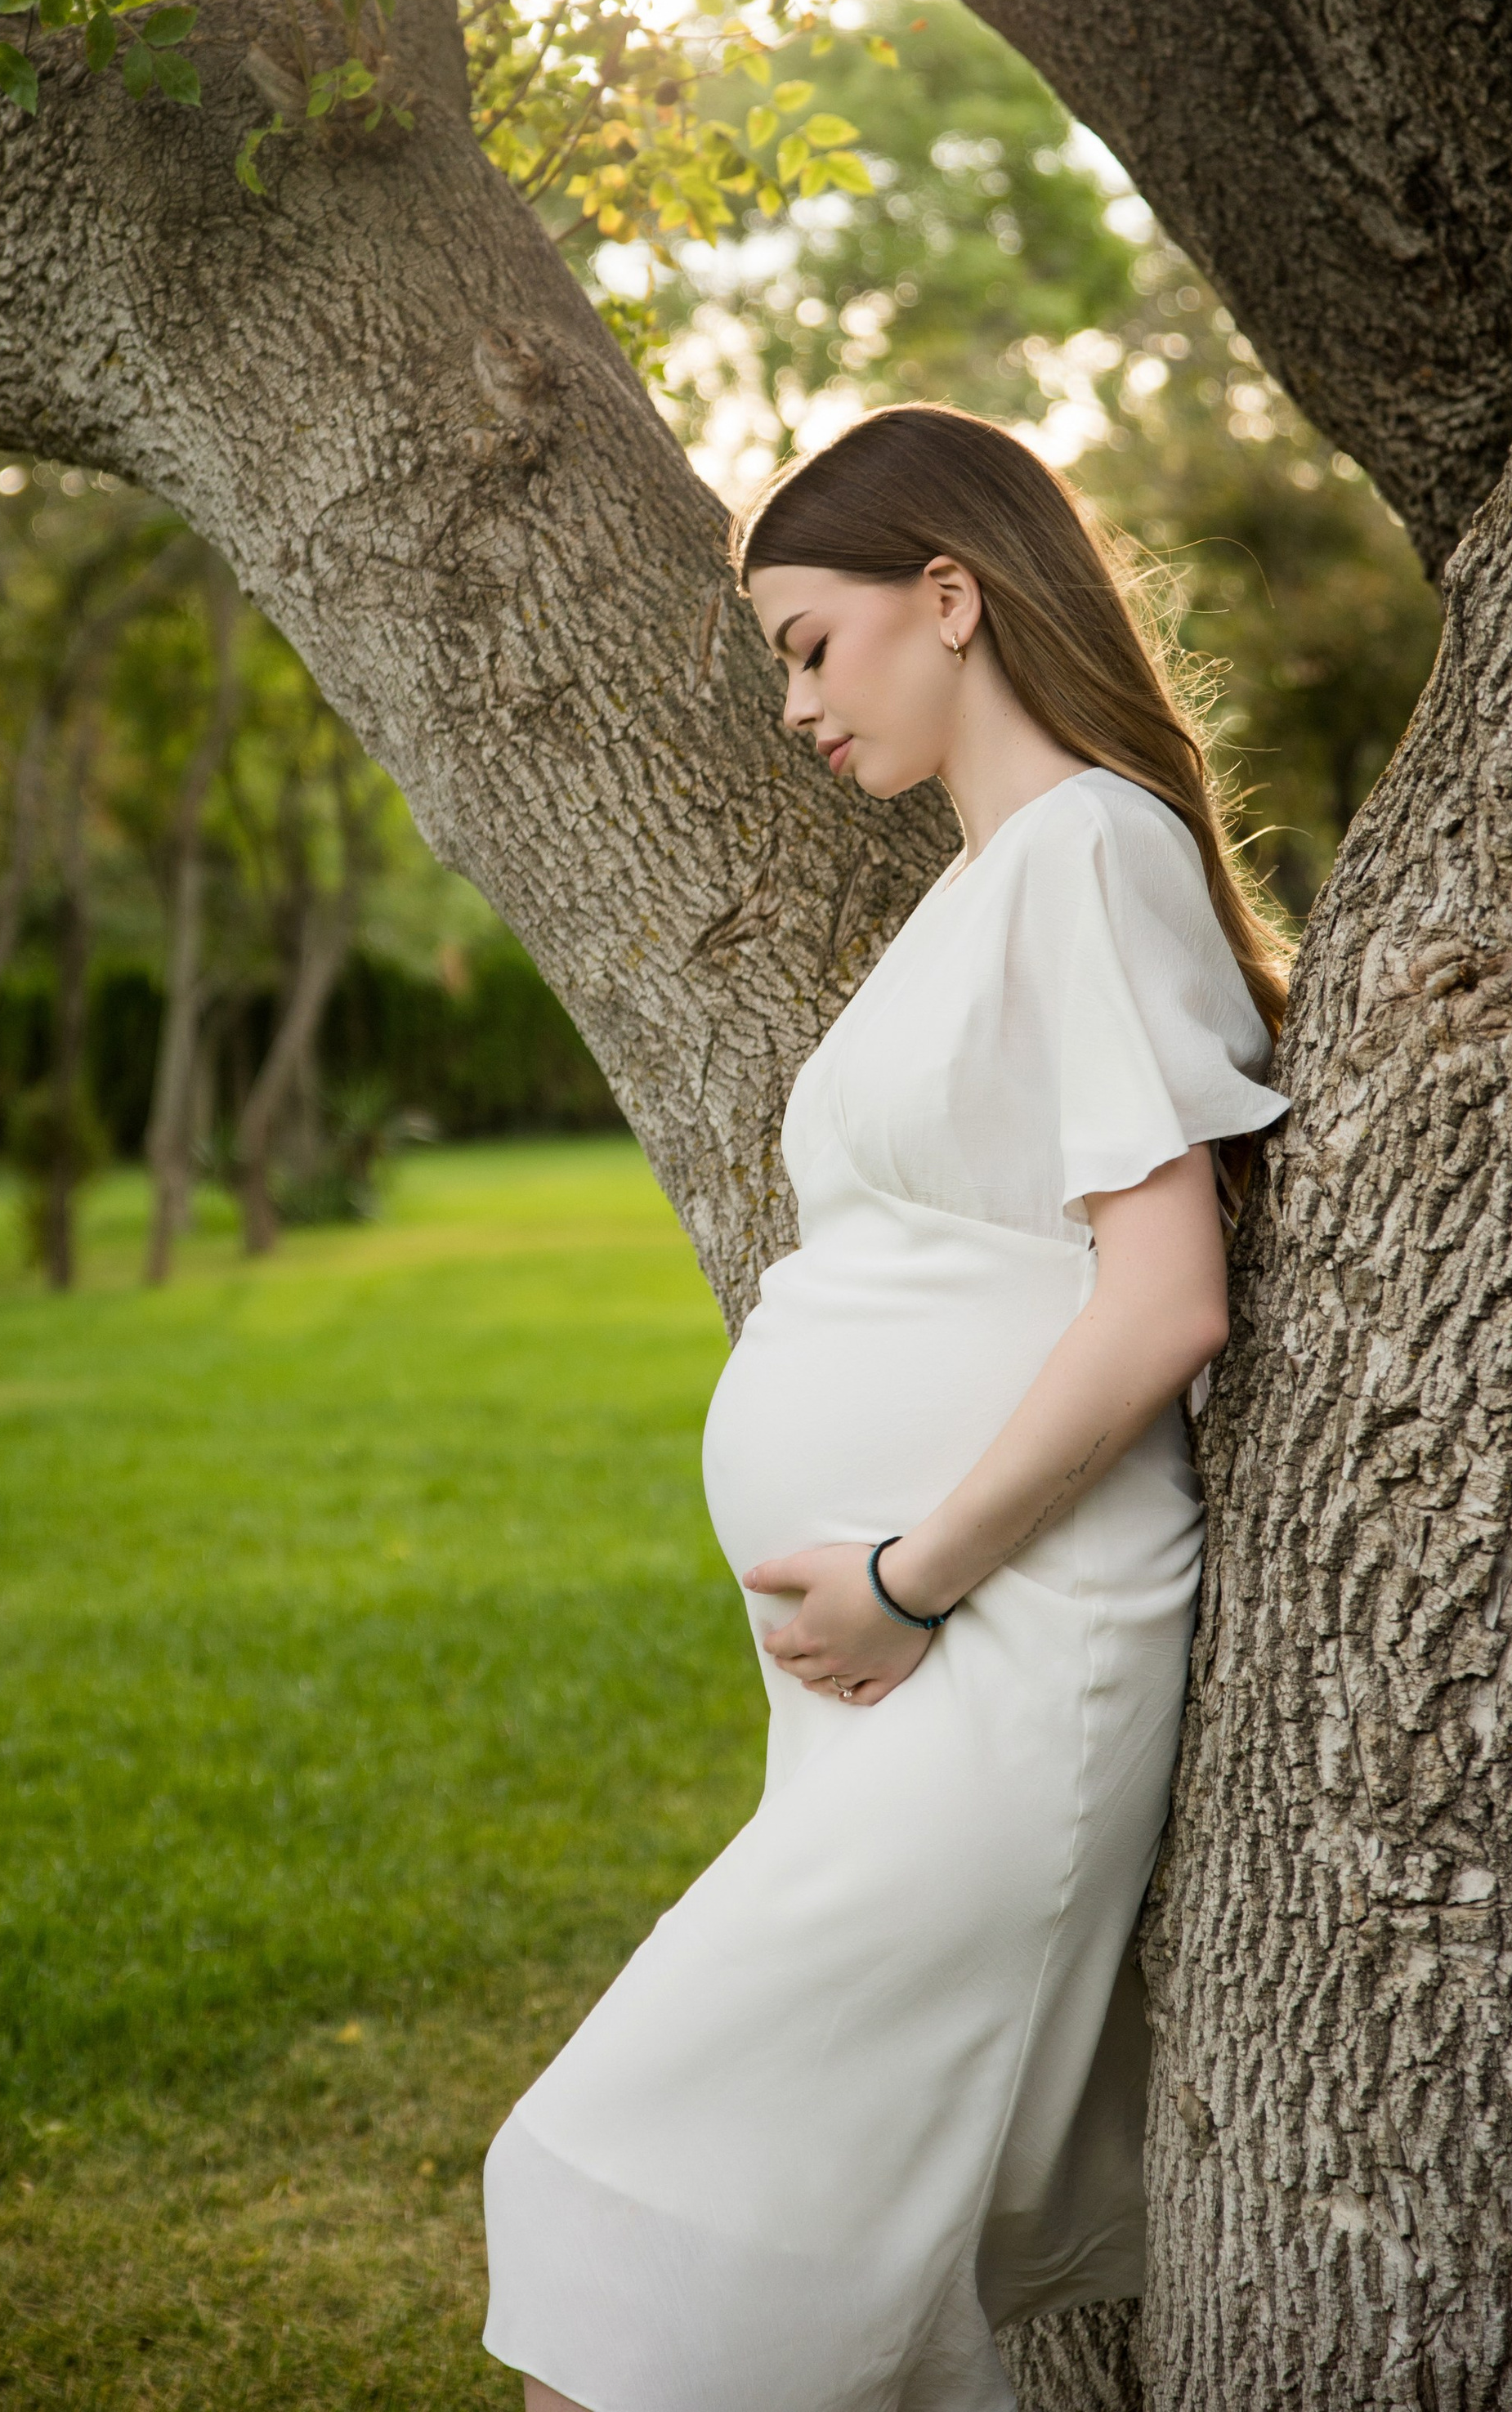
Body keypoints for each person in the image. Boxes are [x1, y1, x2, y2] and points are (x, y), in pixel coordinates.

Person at [483, 403, 1291, 2412]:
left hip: (992, 1652)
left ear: (949, 594)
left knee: (643, 2204)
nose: (789, 702)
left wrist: (911, 1578)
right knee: (761, 2261)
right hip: (894, 1682)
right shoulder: (989, 881)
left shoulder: (1090, 848)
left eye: (804, 640)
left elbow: (1162, 1295)